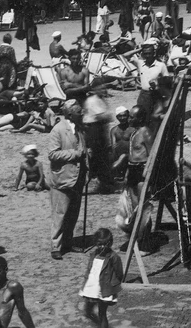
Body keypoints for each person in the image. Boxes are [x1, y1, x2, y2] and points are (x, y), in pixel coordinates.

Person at [48, 101, 87, 260]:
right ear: (70, 114)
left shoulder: (80, 129)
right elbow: (52, 154)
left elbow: (84, 151)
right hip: (62, 179)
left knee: (73, 213)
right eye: (79, 112)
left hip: (77, 179)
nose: (82, 114)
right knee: (60, 213)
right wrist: (75, 154)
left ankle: (68, 242)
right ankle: (55, 246)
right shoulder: (57, 130)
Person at [79, 228, 123, 328]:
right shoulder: (94, 254)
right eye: (99, 244)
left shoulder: (113, 257)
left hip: (104, 290)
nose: (102, 247)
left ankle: (102, 325)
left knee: (102, 314)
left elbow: (119, 274)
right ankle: (100, 325)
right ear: (95, 243)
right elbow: (89, 270)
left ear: (110, 243)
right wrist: (85, 285)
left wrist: (112, 288)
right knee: (87, 311)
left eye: (105, 244)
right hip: (91, 288)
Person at [0, 34, 18, 116]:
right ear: (10, 40)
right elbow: (13, 60)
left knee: (1, 81)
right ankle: (10, 93)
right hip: (9, 69)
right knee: (11, 80)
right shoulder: (11, 49)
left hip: (1, 67)